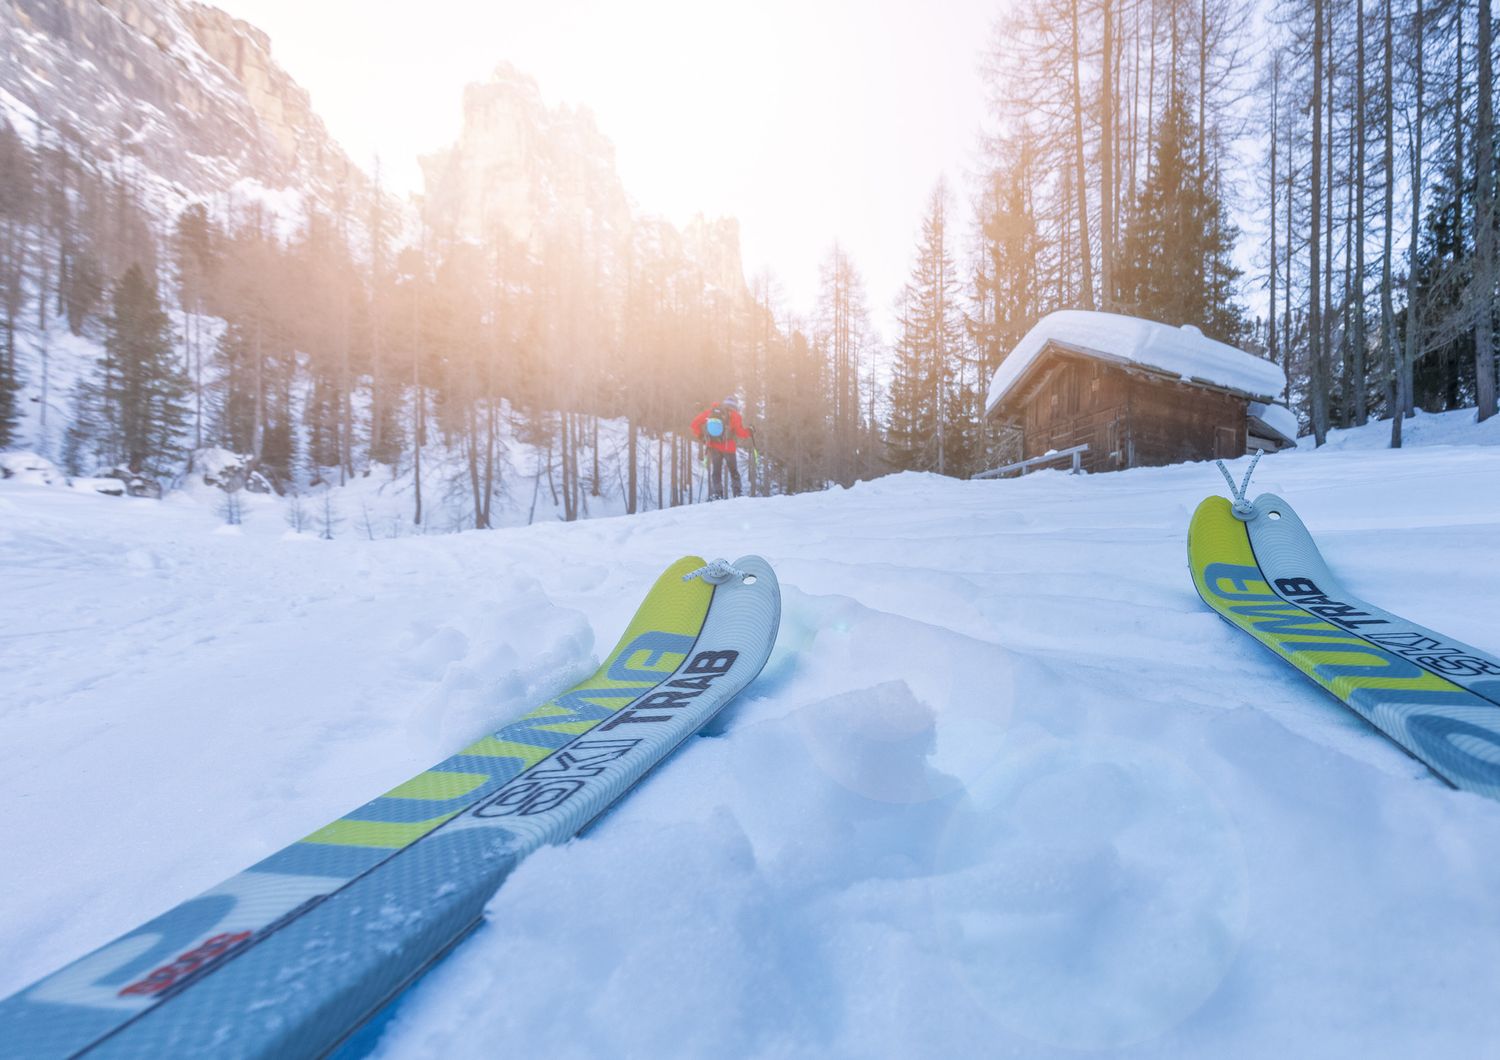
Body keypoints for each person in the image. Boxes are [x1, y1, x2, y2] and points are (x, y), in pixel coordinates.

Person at [691, 396, 752, 499]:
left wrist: (701, 437)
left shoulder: (711, 412)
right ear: (735, 405)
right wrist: (750, 431)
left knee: (716, 471)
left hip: (714, 446)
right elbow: (740, 432)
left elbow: (694, 424)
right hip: (729, 447)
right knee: (733, 471)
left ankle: (717, 494)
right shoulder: (735, 415)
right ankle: (737, 493)